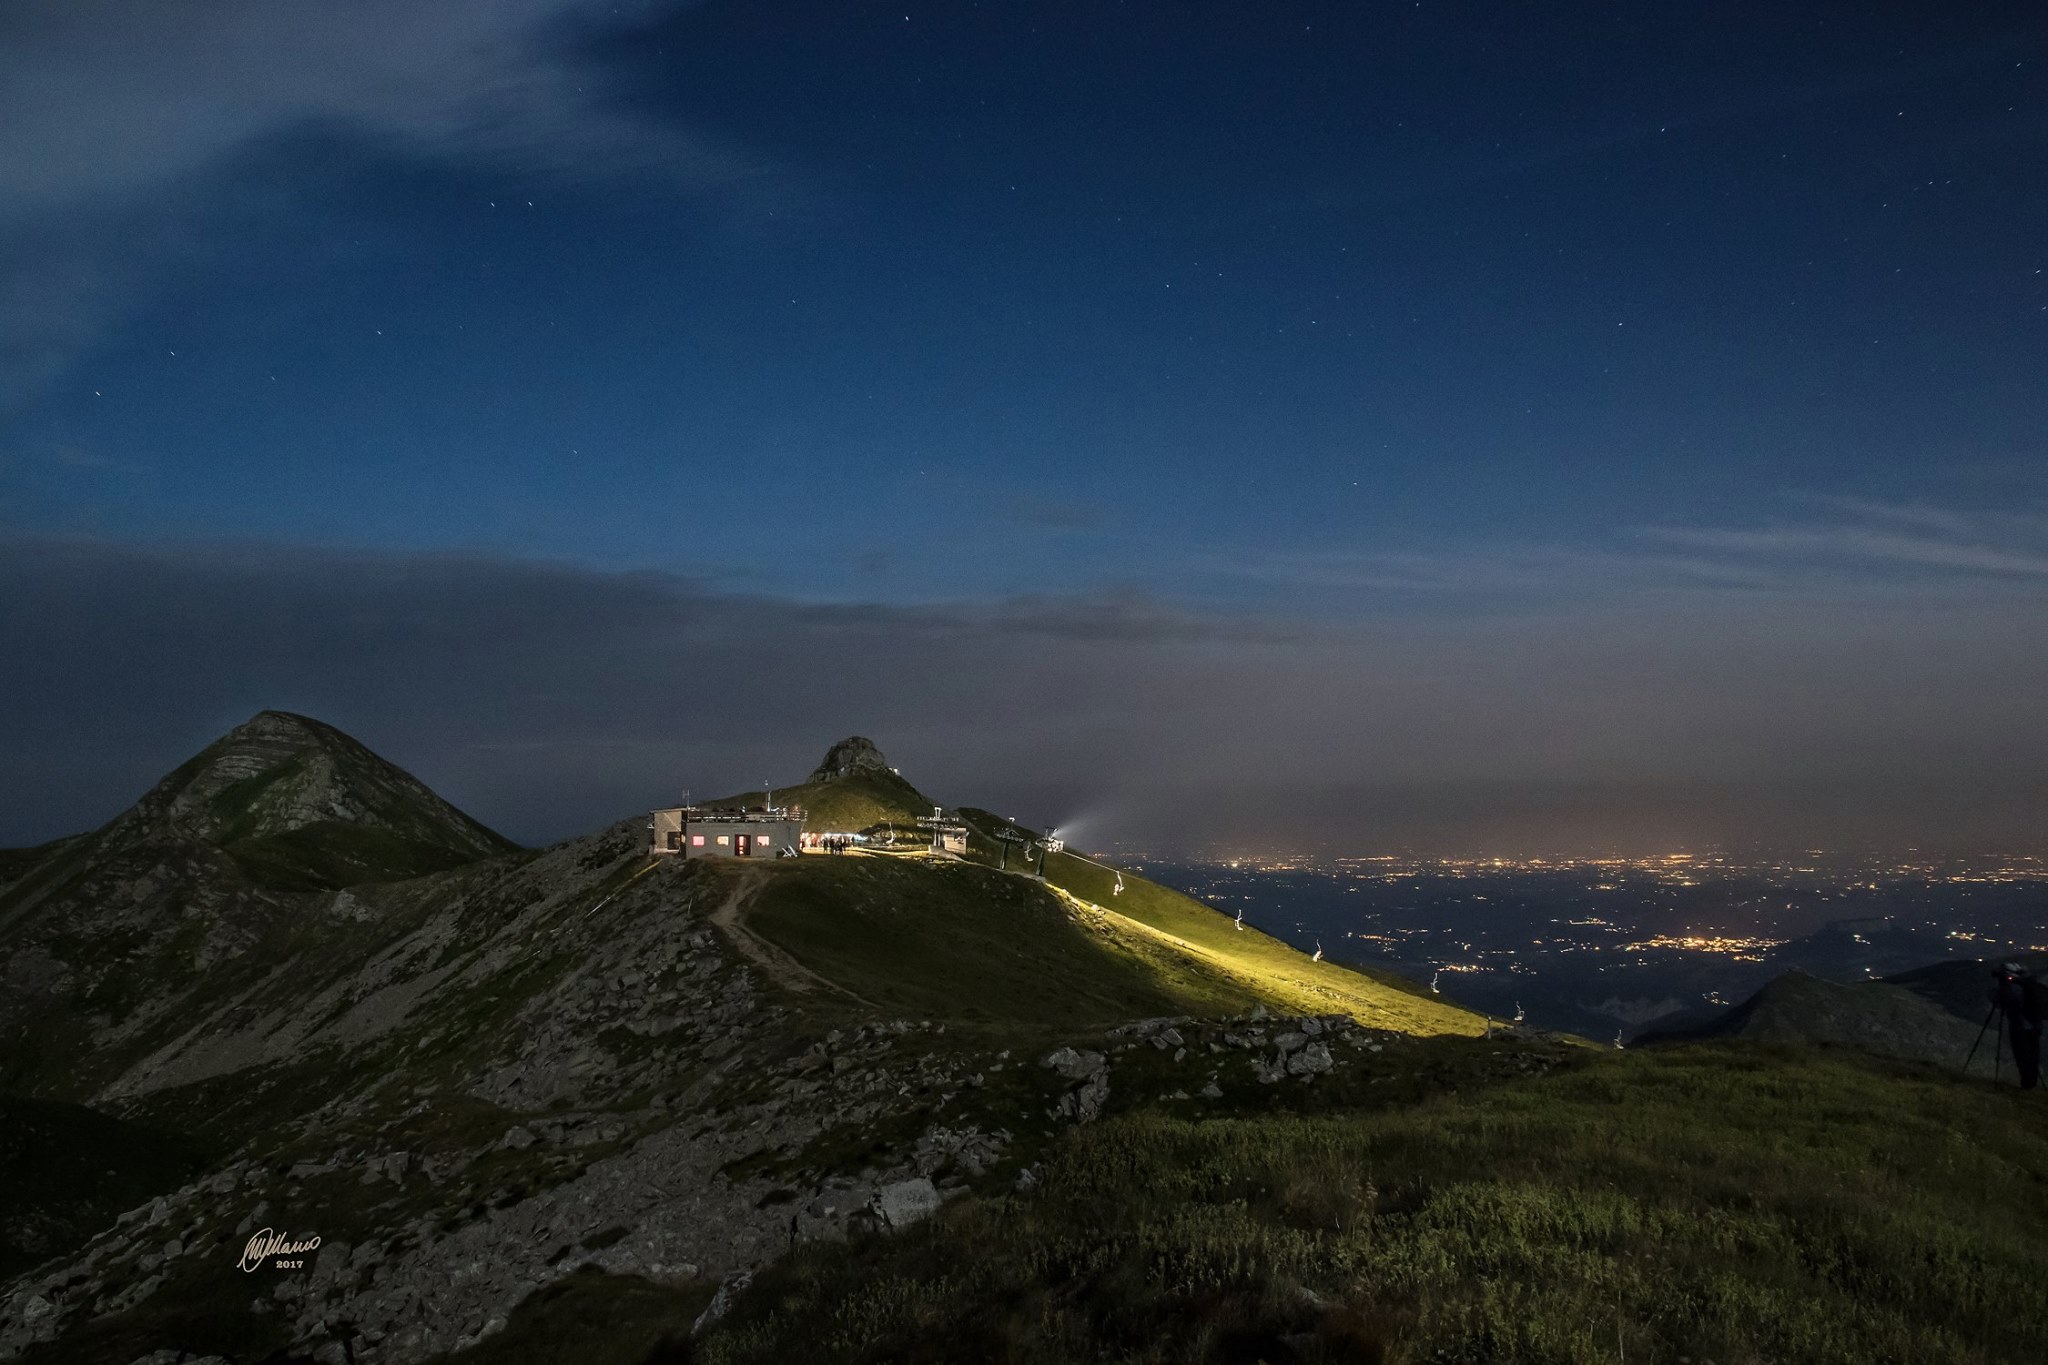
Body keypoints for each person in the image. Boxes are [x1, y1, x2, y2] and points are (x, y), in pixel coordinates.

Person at [1989, 963, 2045, 1090]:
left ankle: (2027, 1085)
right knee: (2033, 1055)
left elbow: (1997, 999)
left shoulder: (2012, 989)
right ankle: (2031, 1083)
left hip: (2021, 1028)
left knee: (2022, 1056)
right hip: (2036, 1026)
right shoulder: (2029, 985)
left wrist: (2002, 986)